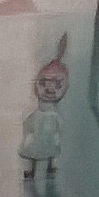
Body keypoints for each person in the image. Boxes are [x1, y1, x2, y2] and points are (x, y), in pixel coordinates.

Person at [19, 38, 68, 186]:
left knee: (38, 144)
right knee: (48, 143)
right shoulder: (58, 73)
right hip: (48, 116)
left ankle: (36, 170)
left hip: (43, 115)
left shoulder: (50, 72)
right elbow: (59, 90)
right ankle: (48, 168)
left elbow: (42, 87)